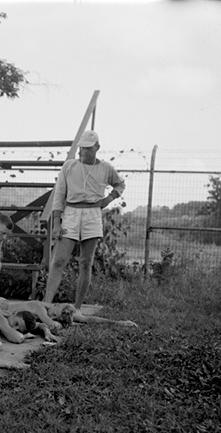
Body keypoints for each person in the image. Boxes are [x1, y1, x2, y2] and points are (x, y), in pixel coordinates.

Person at [44, 130, 126, 323]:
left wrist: (108, 199)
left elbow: (120, 184)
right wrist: (57, 222)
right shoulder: (69, 166)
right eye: (82, 148)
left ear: (97, 147)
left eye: (89, 148)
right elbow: (59, 196)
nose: (84, 152)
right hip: (70, 214)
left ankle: (77, 308)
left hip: (92, 215)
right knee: (58, 260)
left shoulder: (105, 168)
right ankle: (46, 304)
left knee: (85, 262)